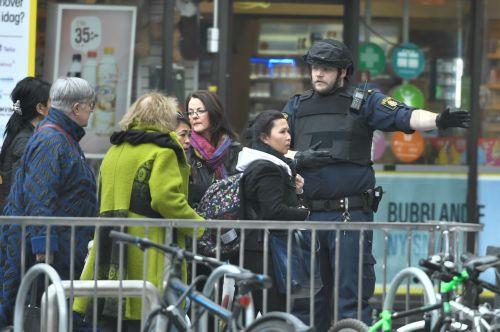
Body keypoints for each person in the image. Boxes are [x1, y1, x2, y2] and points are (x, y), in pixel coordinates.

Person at [282, 39, 471, 331]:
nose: (318, 73)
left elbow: (404, 115)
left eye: (326, 68)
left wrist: (439, 119)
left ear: (343, 71)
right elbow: (272, 147)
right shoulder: (297, 106)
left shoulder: (363, 100)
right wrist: (299, 156)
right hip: (309, 216)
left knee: (352, 298)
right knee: (308, 300)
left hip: (350, 217)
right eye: (315, 67)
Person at [73, 92, 204, 330]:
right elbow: (167, 199)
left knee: (113, 320)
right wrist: (199, 226)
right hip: (147, 248)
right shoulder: (162, 150)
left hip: (108, 246)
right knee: (149, 315)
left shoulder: (115, 150)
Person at [0, 77, 98, 327]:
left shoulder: (60, 137)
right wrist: (44, 247)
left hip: (61, 251)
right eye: (90, 106)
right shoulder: (52, 141)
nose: (91, 112)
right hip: (52, 257)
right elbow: (40, 196)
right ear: (76, 108)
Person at [236, 110, 309, 316]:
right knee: (275, 313)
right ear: (265, 138)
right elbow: (273, 210)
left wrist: (298, 191)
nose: (289, 137)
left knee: (260, 314)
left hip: (261, 249)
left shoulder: (268, 164)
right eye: (283, 131)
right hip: (264, 251)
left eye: (289, 131)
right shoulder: (266, 168)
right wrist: (306, 214)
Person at [0, 77, 51, 211]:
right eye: (51, 101)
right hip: (19, 226)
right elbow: (23, 192)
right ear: (40, 108)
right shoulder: (25, 142)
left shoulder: (23, 135)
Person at [185, 90, 241, 207]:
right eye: (190, 113)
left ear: (213, 112)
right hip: (197, 219)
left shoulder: (234, 149)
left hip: (231, 219)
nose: (194, 116)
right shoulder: (186, 150)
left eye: (200, 111)